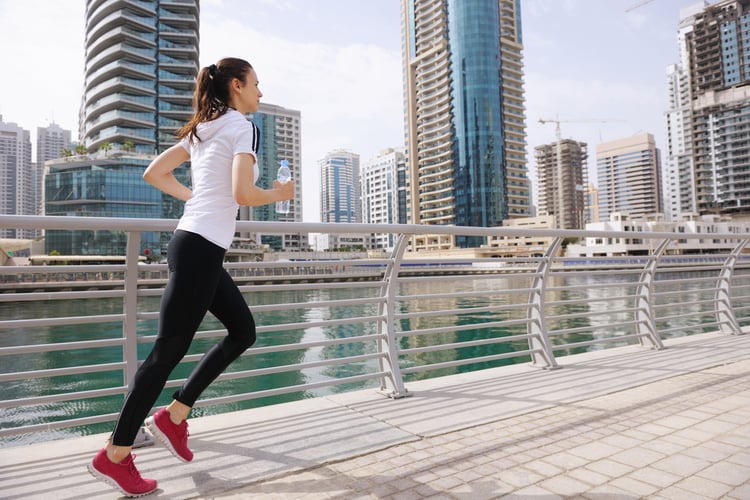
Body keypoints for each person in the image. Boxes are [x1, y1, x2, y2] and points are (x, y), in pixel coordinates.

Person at [87, 57, 294, 497]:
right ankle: (116, 454)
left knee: (242, 331)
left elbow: (154, 173)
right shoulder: (240, 126)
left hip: (199, 245)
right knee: (165, 355)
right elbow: (242, 193)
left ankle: (174, 416)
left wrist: (194, 196)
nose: (261, 92)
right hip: (199, 247)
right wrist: (279, 193)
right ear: (237, 86)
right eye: (257, 83)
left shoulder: (205, 127)